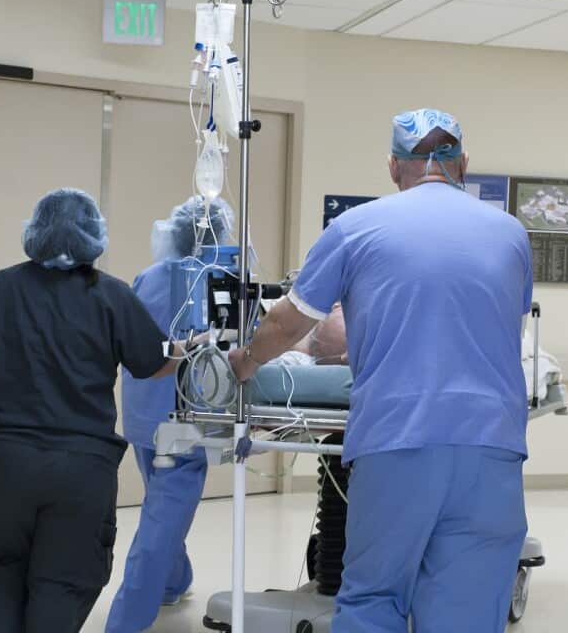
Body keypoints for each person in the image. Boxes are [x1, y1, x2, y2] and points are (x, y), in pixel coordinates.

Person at [229, 109, 534, 633]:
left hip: (398, 443)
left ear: (394, 168)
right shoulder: (510, 234)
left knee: (373, 602)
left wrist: (246, 360)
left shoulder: (356, 228)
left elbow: (289, 320)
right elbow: (508, 315)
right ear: (464, 164)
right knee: (468, 612)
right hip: (492, 448)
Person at [0, 188, 187, 633]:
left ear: (34, 232)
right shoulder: (112, 297)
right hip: (81, 469)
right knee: (63, 580)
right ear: (94, 238)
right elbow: (155, 363)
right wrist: (192, 349)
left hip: (5, 467)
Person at [106, 195, 234, 633]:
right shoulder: (224, 279)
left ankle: (172, 583)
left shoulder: (150, 276)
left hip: (143, 411)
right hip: (188, 417)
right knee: (161, 519)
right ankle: (125, 620)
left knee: (161, 502)